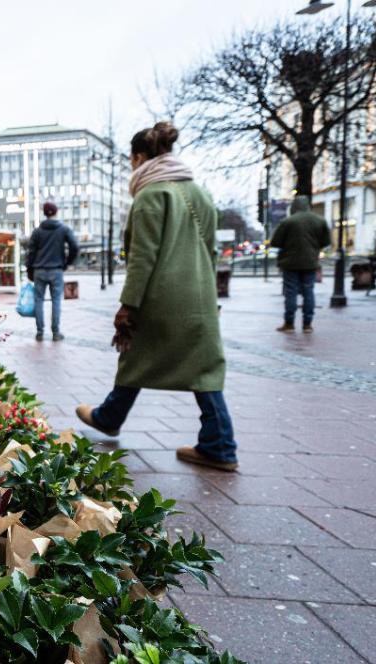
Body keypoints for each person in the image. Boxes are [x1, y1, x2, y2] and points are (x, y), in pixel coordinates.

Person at [75, 121, 239, 472]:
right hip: (199, 296)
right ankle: (219, 444)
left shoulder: (150, 195)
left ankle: (109, 416)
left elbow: (142, 257)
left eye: (132, 161)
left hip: (161, 298)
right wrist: (211, 298)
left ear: (139, 157)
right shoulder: (200, 193)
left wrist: (127, 305)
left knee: (135, 354)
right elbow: (210, 250)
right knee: (204, 368)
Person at [270, 196, 331, 333]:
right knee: (309, 291)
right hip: (310, 262)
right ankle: (307, 324)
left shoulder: (288, 222)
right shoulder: (319, 221)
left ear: (294, 206)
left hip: (290, 263)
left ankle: (289, 323)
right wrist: (314, 247)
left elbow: (275, 242)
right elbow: (326, 242)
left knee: (290, 293)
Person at [25, 201, 78, 341]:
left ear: (44, 213)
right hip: (56, 269)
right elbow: (75, 246)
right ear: (56, 212)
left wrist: (29, 270)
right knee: (56, 301)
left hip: (39, 270)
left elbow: (30, 253)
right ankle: (55, 333)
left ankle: (40, 332)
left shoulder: (37, 231)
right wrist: (67, 263)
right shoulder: (63, 229)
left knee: (39, 300)